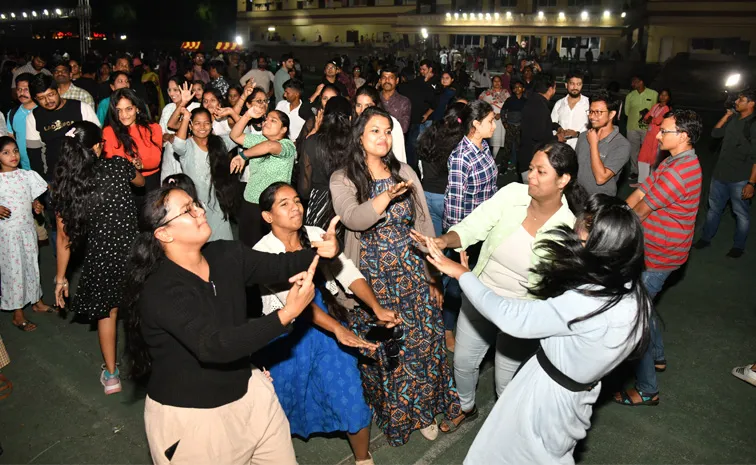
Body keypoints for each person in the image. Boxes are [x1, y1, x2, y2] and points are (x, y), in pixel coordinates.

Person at [422, 193, 650, 464]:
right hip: (576, 393)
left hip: (547, 396)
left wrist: (463, 274)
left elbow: (511, 317)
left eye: (583, 242)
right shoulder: (634, 294)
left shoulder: (587, 303)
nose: (577, 244)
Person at [121, 185, 340, 465]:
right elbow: (215, 345)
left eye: (196, 203)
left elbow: (282, 265)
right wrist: (286, 314)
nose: (200, 211)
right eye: (188, 210)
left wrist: (325, 250)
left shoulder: (226, 254)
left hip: (250, 396)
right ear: (164, 233)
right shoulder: (161, 289)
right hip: (194, 420)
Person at [414, 142, 583, 432]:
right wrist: (444, 241)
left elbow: (559, 289)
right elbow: (473, 226)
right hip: (480, 295)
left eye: (541, 172)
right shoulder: (513, 194)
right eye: (531, 168)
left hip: (521, 313)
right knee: (463, 362)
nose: (531, 176)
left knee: (507, 381)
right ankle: (466, 407)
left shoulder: (568, 228)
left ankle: (508, 430)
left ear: (563, 180)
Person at [329, 106, 462, 446]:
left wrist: (434, 276)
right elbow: (354, 219)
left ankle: (424, 412)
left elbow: (424, 224)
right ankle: (393, 411)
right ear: (359, 136)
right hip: (372, 278)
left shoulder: (404, 171)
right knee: (388, 350)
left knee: (422, 345)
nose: (383, 137)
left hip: (413, 270)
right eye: (375, 131)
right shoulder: (343, 177)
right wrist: (385, 196)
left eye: (388, 131)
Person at [254, 182, 400, 465]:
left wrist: (376, 307)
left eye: (297, 200)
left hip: (324, 320)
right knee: (282, 399)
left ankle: (363, 459)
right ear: (267, 216)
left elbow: (347, 272)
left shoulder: (314, 234)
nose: (295, 207)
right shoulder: (262, 253)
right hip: (286, 332)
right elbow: (295, 303)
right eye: (284, 204)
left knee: (348, 392)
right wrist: (338, 329)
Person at [616, 109, 703, 406]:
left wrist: (613, 232)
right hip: (657, 250)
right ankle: (658, 356)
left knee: (636, 320)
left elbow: (642, 211)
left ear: (684, 136)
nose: (658, 135)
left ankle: (647, 389)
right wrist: (618, 212)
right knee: (646, 306)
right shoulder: (672, 160)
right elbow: (641, 193)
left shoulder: (680, 171)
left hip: (659, 256)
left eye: (664, 131)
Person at [53, 121, 144, 394]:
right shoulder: (117, 166)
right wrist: (133, 165)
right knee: (143, 309)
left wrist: (61, 279)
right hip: (135, 253)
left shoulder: (67, 186)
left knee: (108, 314)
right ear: (97, 146)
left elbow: (64, 239)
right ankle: (153, 363)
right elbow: (140, 182)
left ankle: (112, 376)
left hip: (101, 258)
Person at [0, 137, 54, 332]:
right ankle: (17, 313)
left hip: (27, 229)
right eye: (6, 152)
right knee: (13, 271)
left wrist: (35, 205)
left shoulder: (26, 175)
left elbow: (30, 198)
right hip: (8, 234)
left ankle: (36, 301)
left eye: (15, 150)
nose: (13, 155)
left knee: (32, 264)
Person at [695, 89, 756, 258]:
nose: (736, 102)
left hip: (740, 178)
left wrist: (751, 183)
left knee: (741, 214)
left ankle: (738, 246)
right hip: (720, 174)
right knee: (714, 209)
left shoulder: (753, 125)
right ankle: (706, 238)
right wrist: (727, 115)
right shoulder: (734, 119)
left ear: (751, 103)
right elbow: (715, 133)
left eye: (741, 100)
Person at [230, 107, 296, 247]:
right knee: (247, 246)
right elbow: (234, 136)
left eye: (273, 120)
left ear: (283, 129)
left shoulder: (287, 146)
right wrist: (247, 115)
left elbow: (270, 146)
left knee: (270, 248)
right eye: (266, 119)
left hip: (273, 205)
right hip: (250, 201)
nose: (266, 122)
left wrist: (243, 155)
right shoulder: (259, 140)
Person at [172, 106, 239, 241]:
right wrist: (185, 118)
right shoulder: (187, 146)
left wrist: (232, 112)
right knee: (202, 245)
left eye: (206, 123)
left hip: (218, 205)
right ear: (190, 125)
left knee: (224, 245)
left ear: (211, 124)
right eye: (197, 123)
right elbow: (177, 145)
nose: (202, 127)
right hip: (195, 206)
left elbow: (243, 134)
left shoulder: (219, 143)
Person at [298, 96, 352, 232]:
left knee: (318, 242)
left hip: (319, 204)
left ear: (324, 117)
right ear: (350, 118)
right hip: (348, 201)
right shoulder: (357, 143)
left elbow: (304, 190)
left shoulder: (311, 142)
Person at [103, 88, 163, 200]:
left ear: (137, 108)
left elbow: (156, 160)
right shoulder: (108, 132)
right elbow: (110, 163)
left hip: (150, 183)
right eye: (118, 110)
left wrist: (141, 164)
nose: (124, 115)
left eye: (129, 109)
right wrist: (130, 165)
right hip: (122, 185)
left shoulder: (153, 128)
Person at [417, 102, 465, 236]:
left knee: (435, 240)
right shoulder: (460, 142)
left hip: (426, 193)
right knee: (454, 239)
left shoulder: (431, 133)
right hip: (445, 197)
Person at [574, 90, 631, 197]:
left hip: (601, 200)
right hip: (578, 197)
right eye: (591, 111)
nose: (592, 116)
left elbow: (601, 178)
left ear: (611, 114)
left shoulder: (621, 144)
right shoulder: (583, 136)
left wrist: (593, 144)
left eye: (598, 112)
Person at [519, 74, 561, 183]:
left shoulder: (534, 101)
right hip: (532, 162)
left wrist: (556, 126)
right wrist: (557, 138)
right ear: (550, 89)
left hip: (528, 158)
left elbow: (537, 124)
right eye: (555, 87)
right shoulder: (540, 106)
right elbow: (539, 136)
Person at [158, 78, 201, 181]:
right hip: (169, 158)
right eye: (169, 90)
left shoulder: (196, 108)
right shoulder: (168, 108)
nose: (171, 93)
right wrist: (169, 136)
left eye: (175, 90)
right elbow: (160, 135)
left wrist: (178, 138)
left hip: (190, 157)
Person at [353, 86, 406, 163]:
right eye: (359, 105)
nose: (362, 110)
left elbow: (399, 157)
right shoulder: (355, 123)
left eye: (368, 105)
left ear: (376, 105)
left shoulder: (390, 123)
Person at [625, 75, 658, 183]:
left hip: (647, 129)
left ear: (641, 82)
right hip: (632, 126)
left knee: (647, 151)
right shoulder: (630, 96)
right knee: (633, 150)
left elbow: (656, 110)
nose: (632, 84)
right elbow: (626, 112)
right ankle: (635, 171)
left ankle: (647, 172)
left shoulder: (653, 94)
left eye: (634, 82)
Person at [635, 89, 673, 186]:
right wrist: (650, 118)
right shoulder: (656, 106)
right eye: (661, 94)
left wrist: (651, 118)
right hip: (649, 135)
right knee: (643, 156)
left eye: (665, 95)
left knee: (654, 159)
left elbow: (658, 121)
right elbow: (646, 118)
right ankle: (641, 182)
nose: (662, 97)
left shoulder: (667, 109)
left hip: (658, 136)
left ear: (669, 98)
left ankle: (652, 184)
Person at [551, 72, 589, 150]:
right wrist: (558, 134)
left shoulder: (588, 103)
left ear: (582, 85)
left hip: (582, 148)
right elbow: (551, 124)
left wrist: (577, 134)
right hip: (561, 148)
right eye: (572, 84)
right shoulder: (559, 104)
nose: (575, 87)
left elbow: (592, 127)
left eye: (578, 84)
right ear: (566, 85)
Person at [6, 73, 37, 170]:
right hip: (24, 167)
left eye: (26, 89)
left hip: (46, 166)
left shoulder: (43, 111)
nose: (22, 93)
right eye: (19, 89)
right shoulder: (12, 113)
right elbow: (11, 139)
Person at [478, 75, 511, 163]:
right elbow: (481, 105)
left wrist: (501, 114)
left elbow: (509, 105)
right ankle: (487, 159)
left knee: (498, 141)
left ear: (501, 82)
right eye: (495, 81)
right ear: (492, 83)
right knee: (488, 140)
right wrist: (492, 114)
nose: (497, 83)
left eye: (498, 81)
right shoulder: (486, 93)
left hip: (502, 119)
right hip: (490, 119)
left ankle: (493, 159)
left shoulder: (505, 92)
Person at [501, 79, 527, 171]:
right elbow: (503, 111)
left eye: (519, 87)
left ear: (523, 89)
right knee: (507, 147)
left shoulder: (526, 101)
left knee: (519, 148)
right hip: (510, 126)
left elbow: (529, 114)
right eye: (515, 87)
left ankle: (519, 167)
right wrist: (504, 122)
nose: (517, 88)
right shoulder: (509, 100)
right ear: (513, 89)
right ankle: (503, 167)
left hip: (520, 127)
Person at [379, 67, 411, 134]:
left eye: (391, 78)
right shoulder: (374, 99)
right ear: (380, 80)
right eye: (384, 78)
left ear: (397, 80)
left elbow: (404, 128)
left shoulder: (404, 102)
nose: (387, 80)